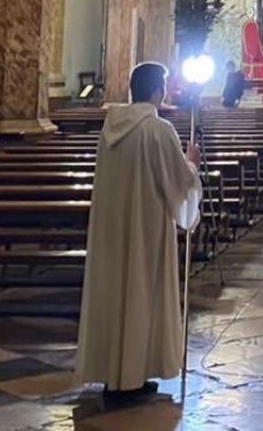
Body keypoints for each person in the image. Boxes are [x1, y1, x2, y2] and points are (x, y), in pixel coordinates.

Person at [75, 62, 202, 401]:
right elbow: (179, 181)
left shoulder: (109, 129)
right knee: (142, 296)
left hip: (112, 230)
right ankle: (132, 374)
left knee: (114, 298)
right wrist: (192, 162)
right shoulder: (158, 130)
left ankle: (113, 373)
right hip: (146, 231)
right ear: (157, 91)